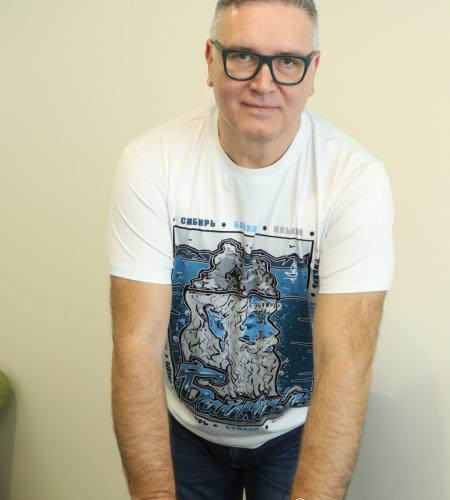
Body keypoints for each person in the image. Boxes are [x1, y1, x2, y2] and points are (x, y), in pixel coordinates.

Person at [108, 1, 394, 499]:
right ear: (210, 60)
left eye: (287, 61)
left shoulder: (355, 181)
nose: (264, 83)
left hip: (297, 432)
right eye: (243, 56)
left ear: (312, 72)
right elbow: (136, 342)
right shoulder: (152, 163)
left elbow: (345, 361)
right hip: (183, 429)